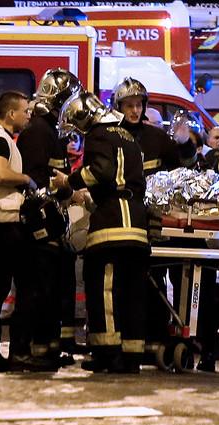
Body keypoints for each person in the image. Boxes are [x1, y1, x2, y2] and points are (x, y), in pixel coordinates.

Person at [52, 91, 150, 373]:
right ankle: (132, 356)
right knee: (133, 292)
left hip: (111, 225)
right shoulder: (128, 135)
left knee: (104, 288)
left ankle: (109, 354)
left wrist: (68, 181)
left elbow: (101, 172)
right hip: (136, 224)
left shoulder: (98, 134)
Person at [110, 77, 200, 366]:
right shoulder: (109, 136)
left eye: (139, 105)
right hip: (121, 223)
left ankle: (156, 340)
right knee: (123, 285)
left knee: (154, 282)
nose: (135, 111)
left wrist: (185, 144)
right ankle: (122, 346)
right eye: (129, 105)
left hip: (155, 227)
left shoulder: (157, 138)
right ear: (118, 107)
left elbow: (186, 171)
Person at [15, 68, 82, 370]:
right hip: (37, 229)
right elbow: (35, 182)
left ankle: (46, 351)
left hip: (51, 227)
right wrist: (64, 190)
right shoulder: (37, 133)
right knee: (36, 291)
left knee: (50, 291)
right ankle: (27, 352)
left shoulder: (51, 132)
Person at [0, 91, 35, 372]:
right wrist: (27, 180)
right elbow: (0, 174)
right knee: (24, 287)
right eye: (25, 111)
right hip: (5, 225)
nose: (28, 115)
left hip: (5, 224)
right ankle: (19, 352)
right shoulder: (1, 139)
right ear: (11, 114)